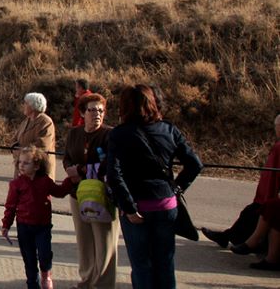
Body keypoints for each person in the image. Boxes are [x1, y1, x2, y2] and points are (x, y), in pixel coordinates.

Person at [107, 84, 203, 288]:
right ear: (153, 104)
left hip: (137, 206)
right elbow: (195, 163)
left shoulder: (119, 134)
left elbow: (114, 174)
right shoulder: (169, 130)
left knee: (142, 265)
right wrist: (177, 188)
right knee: (165, 262)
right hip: (166, 204)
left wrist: (128, 206)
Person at [62, 93, 118, 289]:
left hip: (102, 194)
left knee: (104, 240)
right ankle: (86, 279)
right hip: (78, 193)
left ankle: (102, 283)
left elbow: (110, 163)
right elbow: (67, 157)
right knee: (84, 239)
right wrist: (71, 168)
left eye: (101, 110)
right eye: (92, 110)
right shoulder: (74, 133)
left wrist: (80, 170)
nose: (97, 114)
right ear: (82, 113)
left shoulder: (110, 134)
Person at [2, 146, 77, 289]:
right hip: (24, 226)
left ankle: (46, 274)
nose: (21, 166)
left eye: (26, 163)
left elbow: (59, 192)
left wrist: (70, 180)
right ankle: (32, 284)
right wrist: (6, 225)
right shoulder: (16, 184)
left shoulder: (45, 181)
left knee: (44, 254)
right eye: (20, 162)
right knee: (29, 259)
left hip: (42, 226)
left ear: (36, 166)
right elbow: (10, 207)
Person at [203, 114, 280, 249]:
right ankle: (227, 237)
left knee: (253, 214)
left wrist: (268, 195)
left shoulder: (278, 148)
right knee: (250, 213)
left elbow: (272, 175)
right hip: (270, 195)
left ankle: (236, 239)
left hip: (271, 195)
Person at [13, 92, 57, 180]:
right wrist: (14, 148)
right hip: (22, 168)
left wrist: (22, 151)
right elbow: (15, 139)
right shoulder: (25, 121)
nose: (24, 106)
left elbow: (42, 145)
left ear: (33, 106)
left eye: (26, 103)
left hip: (38, 169)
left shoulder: (46, 122)